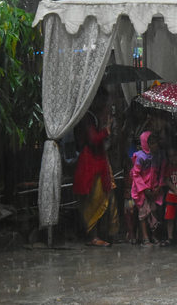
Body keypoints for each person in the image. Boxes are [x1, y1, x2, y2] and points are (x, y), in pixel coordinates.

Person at [73, 86, 118, 247]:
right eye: (103, 101)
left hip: (97, 161)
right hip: (90, 163)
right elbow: (93, 139)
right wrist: (106, 131)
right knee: (93, 201)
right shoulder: (87, 117)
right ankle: (93, 236)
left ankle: (104, 234)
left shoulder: (94, 116)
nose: (105, 104)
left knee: (102, 198)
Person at [130, 132, 166, 247]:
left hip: (154, 189)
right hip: (142, 190)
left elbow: (162, 171)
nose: (155, 145)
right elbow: (136, 174)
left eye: (156, 143)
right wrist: (144, 189)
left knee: (154, 212)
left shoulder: (159, 156)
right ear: (146, 144)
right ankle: (145, 237)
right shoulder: (140, 157)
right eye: (152, 143)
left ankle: (154, 236)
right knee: (144, 213)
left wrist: (159, 185)